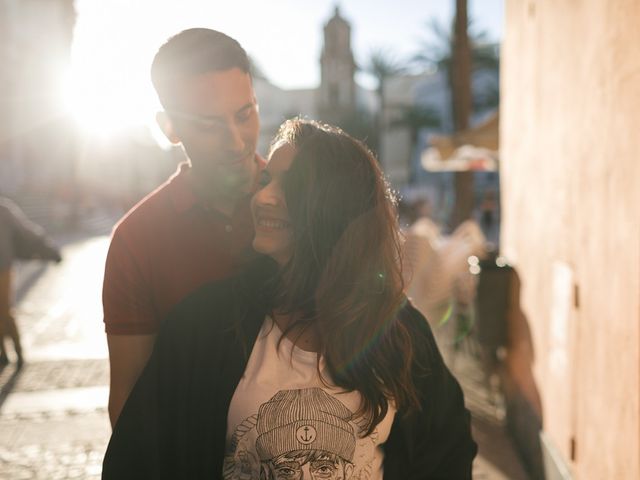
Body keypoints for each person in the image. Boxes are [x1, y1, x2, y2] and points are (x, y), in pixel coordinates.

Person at [102, 119, 477, 479]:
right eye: (266, 180)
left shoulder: (398, 332)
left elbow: (446, 453)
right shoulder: (204, 324)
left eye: (291, 187)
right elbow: (140, 456)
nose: (264, 196)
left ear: (335, 210)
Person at [101, 28, 263, 427]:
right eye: (209, 126)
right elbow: (128, 395)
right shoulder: (135, 240)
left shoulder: (307, 202)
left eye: (245, 114)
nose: (236, 141)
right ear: (169, 127)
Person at [0, 197, 62, 367]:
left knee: (4, 311)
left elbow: (27, 231)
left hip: (2, 269)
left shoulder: (3, 209)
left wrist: (49, 249)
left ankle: (17, 353)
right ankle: (3, 353)